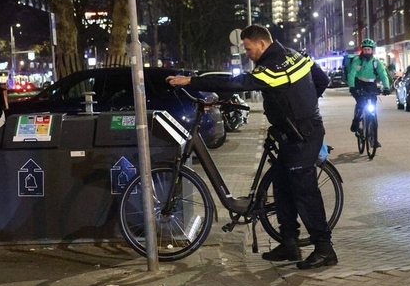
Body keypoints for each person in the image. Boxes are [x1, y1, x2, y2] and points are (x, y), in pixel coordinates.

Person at [166, 25, 337, 269]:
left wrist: (192, 81)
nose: (246, 53)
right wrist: (303, 102)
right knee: (281, 186)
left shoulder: (275, 66)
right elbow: (321, 80)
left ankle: (325, 248)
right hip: (291, 133)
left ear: (262, 44)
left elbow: (239, 83)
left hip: (303, 135)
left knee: (304, 190)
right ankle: (290, 244)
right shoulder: (294, 54)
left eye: (248, 48)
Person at [346, 38, 392, 143]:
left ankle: (374, 139)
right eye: (365, 49)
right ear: (362, 50)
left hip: (371, 85)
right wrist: (352, 87)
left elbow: (383, 74)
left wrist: (386, 87)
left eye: (369, 50)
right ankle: (356, 121)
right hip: (359, 84)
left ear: (372, 50)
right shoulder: (357, 60)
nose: (367, 51)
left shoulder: (376, 62)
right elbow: (352, 73)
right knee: (361, 103)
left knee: (373, 111)